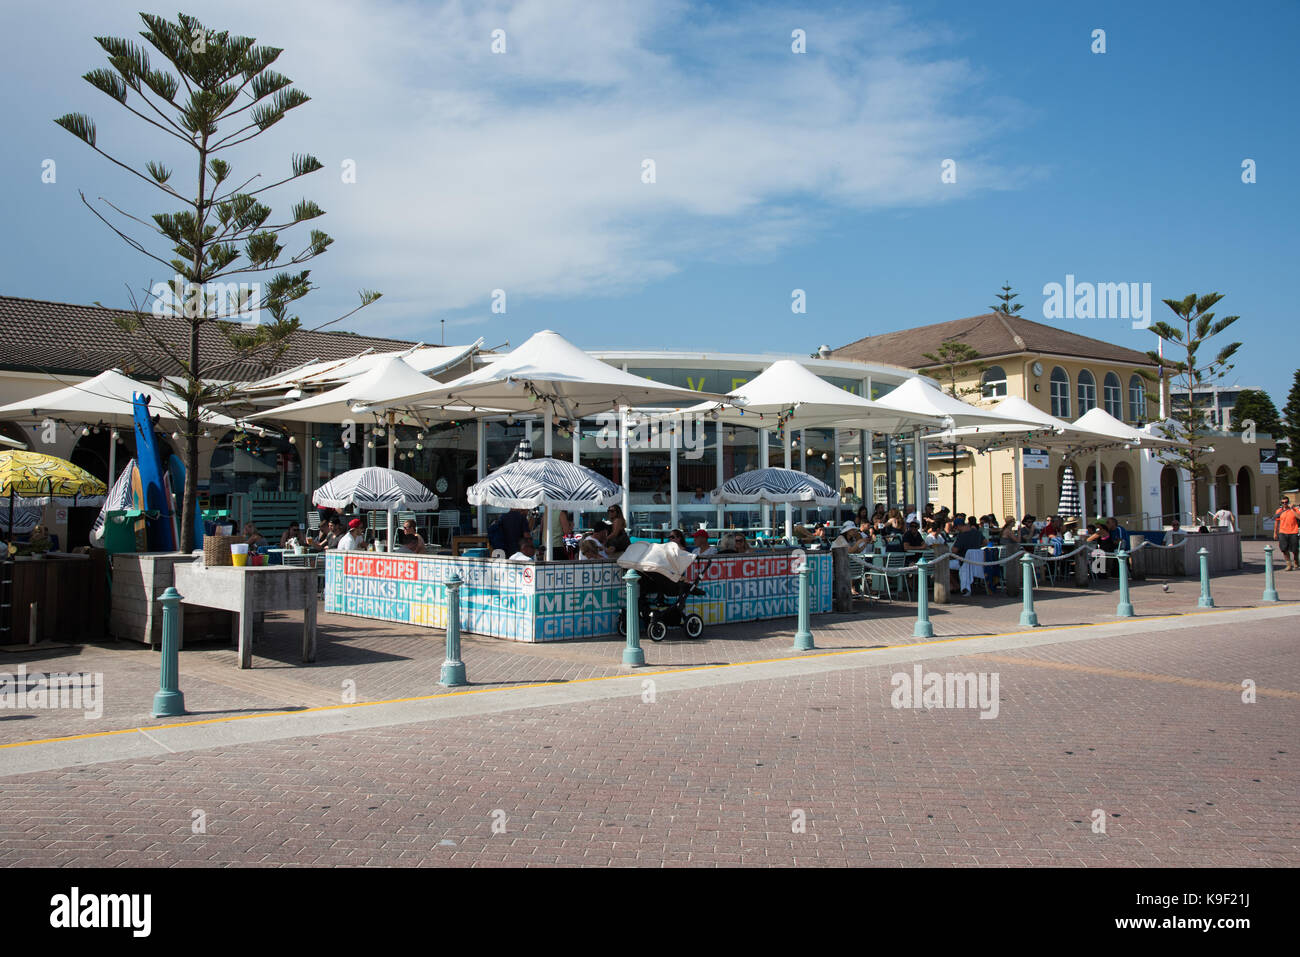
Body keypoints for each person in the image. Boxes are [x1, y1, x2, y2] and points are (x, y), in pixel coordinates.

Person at [1274, 496, 1300, 571]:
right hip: (1282, 532)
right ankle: (1288, 564)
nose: (1284, 504)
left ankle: (1296, 562)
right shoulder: (1279, 511)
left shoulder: (1294, 509)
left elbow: (1299, 517)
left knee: (1295, 550)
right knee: (1284, 549)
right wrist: (1275, 533)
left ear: (1288, 502)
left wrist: (1292, 509)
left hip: (1293, 531)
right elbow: (1276, 522)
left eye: (1286, 502)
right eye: (1283, 502)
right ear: (1281, 503)